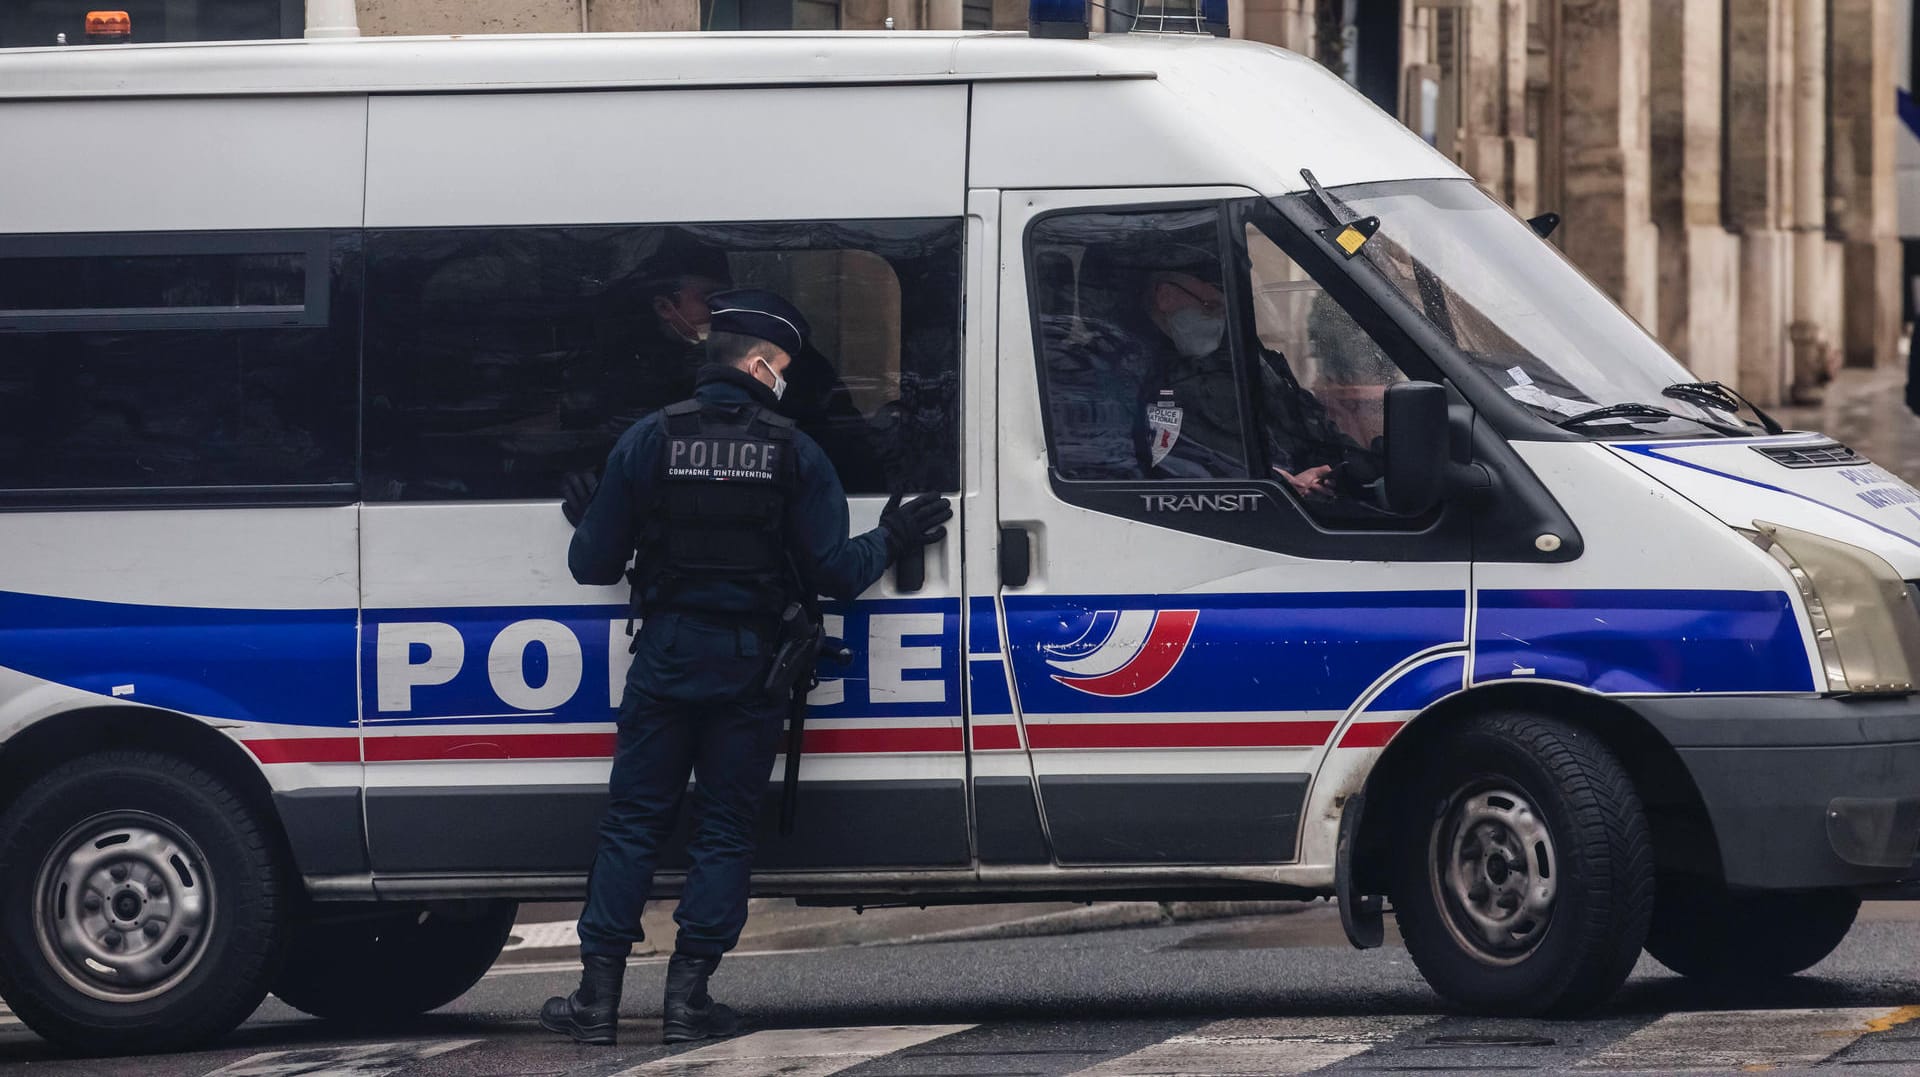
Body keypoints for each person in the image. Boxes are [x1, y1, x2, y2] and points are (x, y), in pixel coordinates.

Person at [541, 288, 952, 1047]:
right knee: (725, 829)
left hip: (665, 656)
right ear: (761, 365)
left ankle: (595, 1001)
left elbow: (591, 560)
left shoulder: (646, 440)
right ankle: (687, 999)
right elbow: (834, 571)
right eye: (786, 366)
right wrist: (894, 533)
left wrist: (594, 511)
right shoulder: (795, 450)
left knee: (633, 822)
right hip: (751, 666)